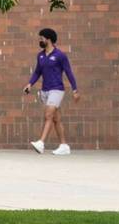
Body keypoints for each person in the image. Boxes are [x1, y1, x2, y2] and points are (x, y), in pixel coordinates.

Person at [23, 27, 79, 155]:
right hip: (45, 91)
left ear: (48, 39)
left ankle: (41, 143)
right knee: (56, 119)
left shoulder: (60, 55)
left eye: (42, 38)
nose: (40, 40)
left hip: (57, 89)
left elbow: (69, 72)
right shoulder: (41, 56)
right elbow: (37, 72)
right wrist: (30, 84)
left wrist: (75, 89)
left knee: (48, 115)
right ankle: (64, 146)